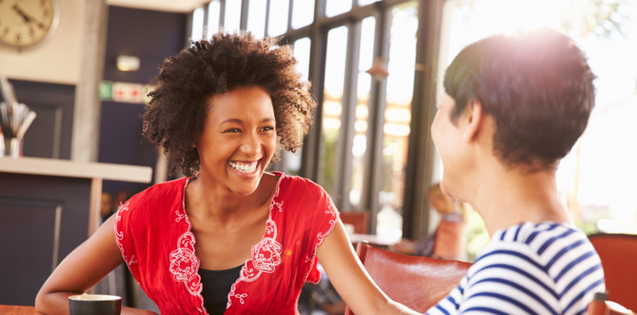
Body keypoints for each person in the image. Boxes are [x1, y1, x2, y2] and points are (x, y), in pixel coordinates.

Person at [35, 32, 419, 315]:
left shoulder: (305, 204)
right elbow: (51, 296)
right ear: (193, 135)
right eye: (234, 129)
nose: (254, 148)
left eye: (265, 128)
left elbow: (375, 306)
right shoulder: (146, 213)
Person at [425, 28, 605, 314]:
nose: (433, 127)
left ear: (472, 116)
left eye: (440, 107)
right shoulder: (557, 245)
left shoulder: (519, 264)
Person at [391, 183, 466, 259]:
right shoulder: (456, 219)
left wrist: (410, 248)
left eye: (433, 200)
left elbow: (431, 248)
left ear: (443, 199)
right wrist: (412, 245)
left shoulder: (450, 221)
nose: (431, 205)